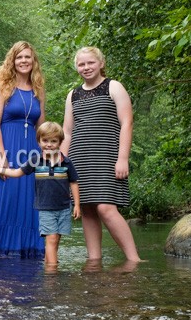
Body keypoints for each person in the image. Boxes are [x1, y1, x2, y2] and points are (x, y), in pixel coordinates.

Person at [60, 46, 142, 262]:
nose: (86, 67)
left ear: (101, 63)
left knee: (106, 207)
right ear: (77, 67)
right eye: (81, 64)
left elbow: (127, 123)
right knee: (86, 209)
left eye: (90, 63)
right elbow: (67, 133)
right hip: (79, 159)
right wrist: (59, 165)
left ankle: (134, 260)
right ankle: (94, 261)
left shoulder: (113, 87)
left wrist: (123, 158)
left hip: (107, 157)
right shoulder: (73, 95)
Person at [0, 41, 46, 258]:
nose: (23, 61)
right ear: (12, 61)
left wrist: (46, 157)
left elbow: (42, 126)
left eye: (27, 57)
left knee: (32, 202)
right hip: (9, 149)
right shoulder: (3, 86)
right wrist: (1, 156)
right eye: (19, 57)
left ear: (33, 61)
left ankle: (30, 250)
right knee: (8, 199)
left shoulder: (38, 89)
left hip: (32, 153)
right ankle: (2, 251)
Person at [0, 121, 81, 266]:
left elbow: (73, 182)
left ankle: (49, 265)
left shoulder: (66, 162)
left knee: (56, 239)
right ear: (39, 141)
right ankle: (52, 273)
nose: (49, 144)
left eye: (53, 141)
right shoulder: (35, 161)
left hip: (64, 208)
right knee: (51, 239)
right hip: (46, 208)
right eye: (45, 141)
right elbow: (16, 172)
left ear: (60, 142)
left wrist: (76, 204)